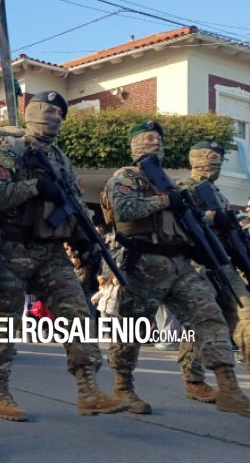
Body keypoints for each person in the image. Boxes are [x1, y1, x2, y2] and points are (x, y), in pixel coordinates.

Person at [0, 91, 127, 422]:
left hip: (51, 253)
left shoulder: (60, 158)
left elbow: (72, 204)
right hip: (11, 248)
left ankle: (88, 388)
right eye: (48, 111)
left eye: (60, 113)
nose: (55, 117)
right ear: (33, 114)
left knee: (78, 315)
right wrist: (34, 187)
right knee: (5, 323)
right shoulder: (10, 151)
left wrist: (86, 242)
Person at [103, 121, 250, 417]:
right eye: (148, 138)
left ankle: (229, 388)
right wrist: (164, 201)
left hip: (179, 264)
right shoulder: (126, 177)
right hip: (144, 262)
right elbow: (125, 210)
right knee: (131, 330)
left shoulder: (170, 182)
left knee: (210, 317)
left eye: (158, 138)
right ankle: (123, 386)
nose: (155, 142)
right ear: (135, 144)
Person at [173, 140, 250, 400]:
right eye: (209, 157)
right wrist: (213, 218)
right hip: (198, 266)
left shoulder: (219, 194)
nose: (214, 162)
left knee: (246, 315)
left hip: (225, 263)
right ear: (195, 158)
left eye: (218, 157)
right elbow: (180, 218)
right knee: (200, 324)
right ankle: (193, 379)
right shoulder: (184, 187)